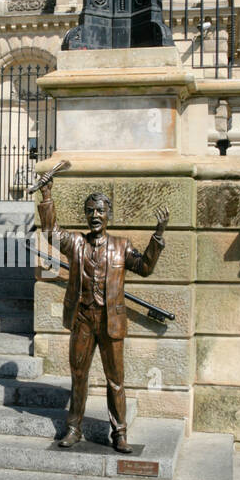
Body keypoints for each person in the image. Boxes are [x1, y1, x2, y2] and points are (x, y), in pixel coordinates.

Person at [37, 185, 168, 453]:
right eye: (90, 211)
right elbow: (51, 233)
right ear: (86, 215)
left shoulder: (121, 246)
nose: (95, 215)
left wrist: (158, 235)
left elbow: (144, 267)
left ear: (109, 214)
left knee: (115, 380)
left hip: (111, 322)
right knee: (78, 375)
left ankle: (119, 433)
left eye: (100, 210)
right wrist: (47, 196)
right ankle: (74, 428)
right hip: (83, 319)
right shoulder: (75, 243)